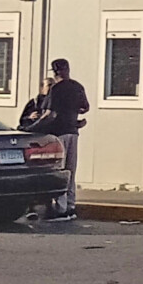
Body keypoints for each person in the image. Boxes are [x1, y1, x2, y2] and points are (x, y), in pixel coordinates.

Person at [36, 57, 89, 221]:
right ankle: (71, 206)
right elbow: (85, 108)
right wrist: (73, 116)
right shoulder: (77, 87)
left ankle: (61, 208)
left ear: (55, 71)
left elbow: (49, 114)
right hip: (73, 132)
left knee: (60, 171)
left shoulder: (56, 89)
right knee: (71, 171)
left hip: (59, 134)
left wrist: (33, 127)